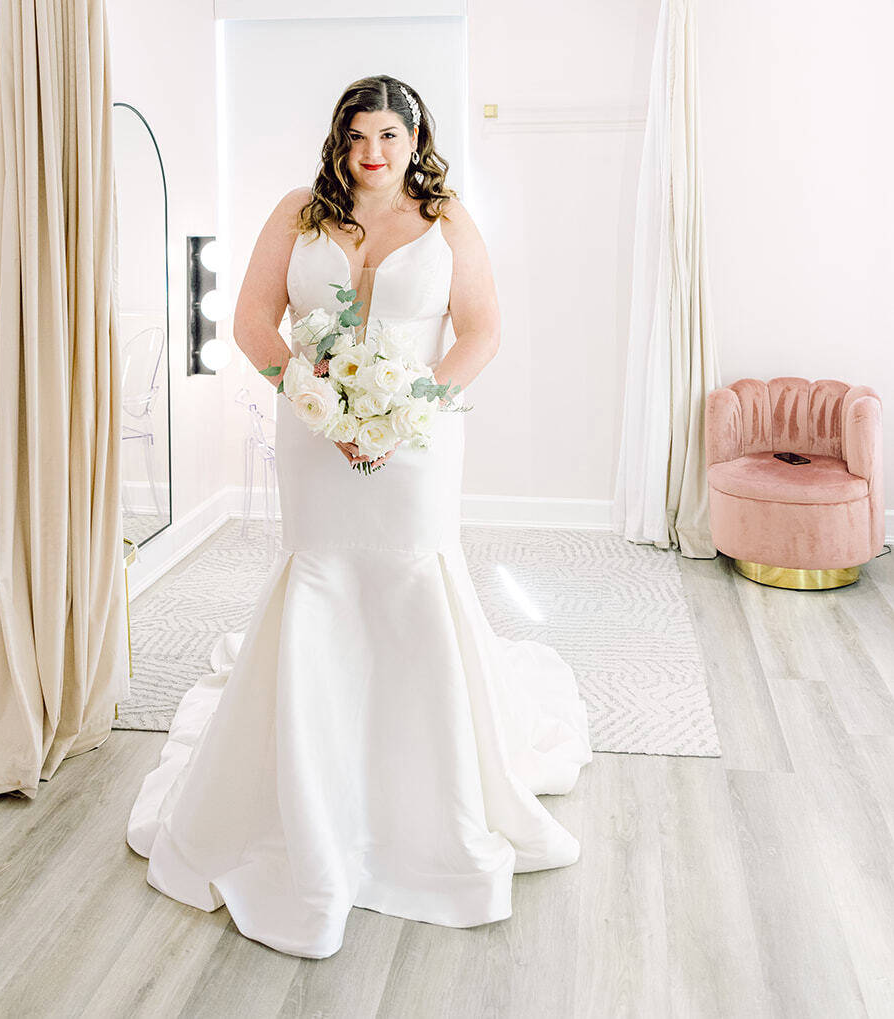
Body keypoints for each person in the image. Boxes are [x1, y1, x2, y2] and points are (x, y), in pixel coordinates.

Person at [126, 74, 592, 960]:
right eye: (357, 137)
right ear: (338, 143)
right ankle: (308, 786)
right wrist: (310, 399)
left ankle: (426, 794)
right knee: (323, 579)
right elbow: (255, 322)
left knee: (412, 579)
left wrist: (412, 411)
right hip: (315, 440)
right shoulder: (298, 212)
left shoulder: (447, 216)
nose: (373, 154)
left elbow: (481, 330)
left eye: (389, 136)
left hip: (417, 443)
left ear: (417, 140)